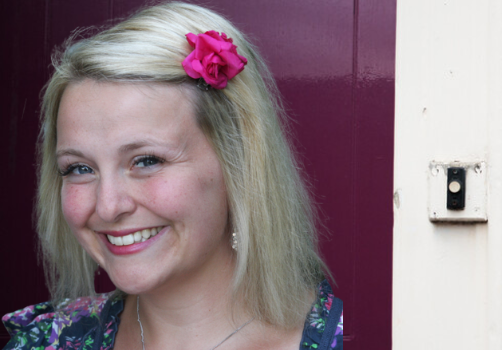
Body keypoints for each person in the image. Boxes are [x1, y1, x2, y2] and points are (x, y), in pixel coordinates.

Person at [2, 2, 342, 349]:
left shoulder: (361, 335)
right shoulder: (46, 342)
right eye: (80, 168)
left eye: (146, 160)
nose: (107, 207)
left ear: (238, 162)